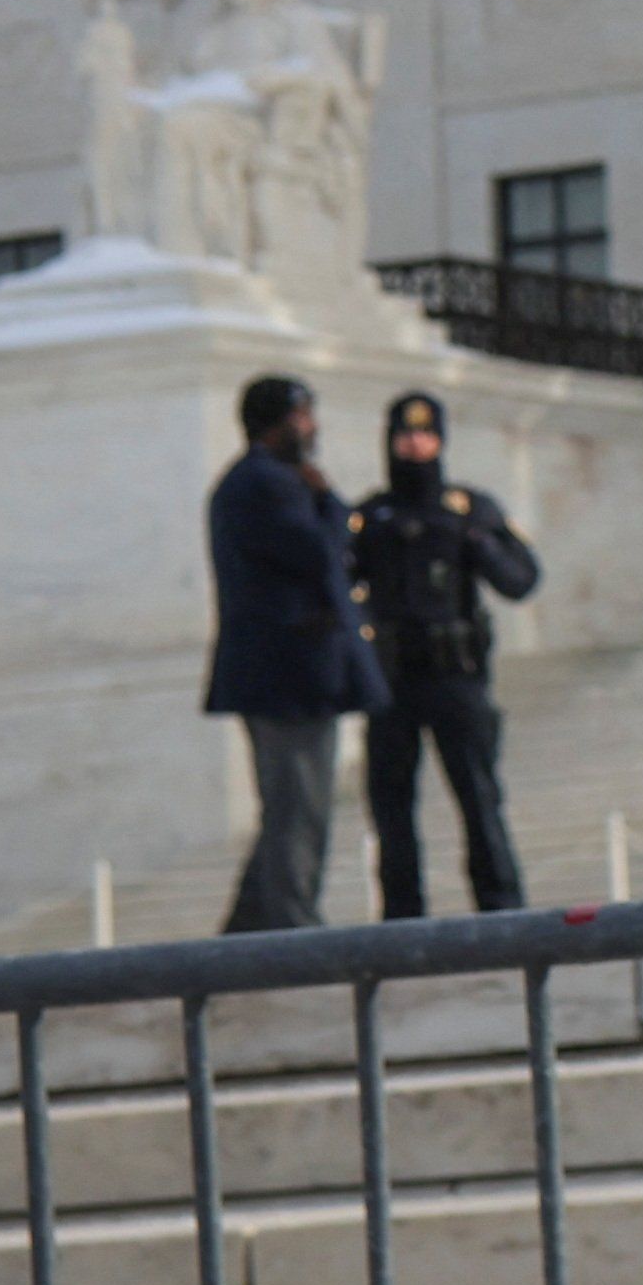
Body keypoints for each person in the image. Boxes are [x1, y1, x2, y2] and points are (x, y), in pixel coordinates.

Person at [351, 390, 543, 916]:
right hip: (393, 681)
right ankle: (402, 915)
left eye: (426, 434)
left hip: (456, 677)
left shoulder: (467, 509)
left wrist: (478, 542)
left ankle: (500, 906)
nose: (416, 445)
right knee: (391, 808)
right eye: (405, 435)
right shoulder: (371, 518)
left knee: (479, 799)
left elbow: (520, 579)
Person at [202, 373, 381, 932]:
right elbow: (322, 552)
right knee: (299, 810)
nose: (312, 428)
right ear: (276, 423)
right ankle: (292, 926)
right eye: (303, 417)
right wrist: (327, 499)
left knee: (290, 806)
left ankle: (249, 925)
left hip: (290, 674)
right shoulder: (268, 484)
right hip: (290, 676)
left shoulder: (260, 481)